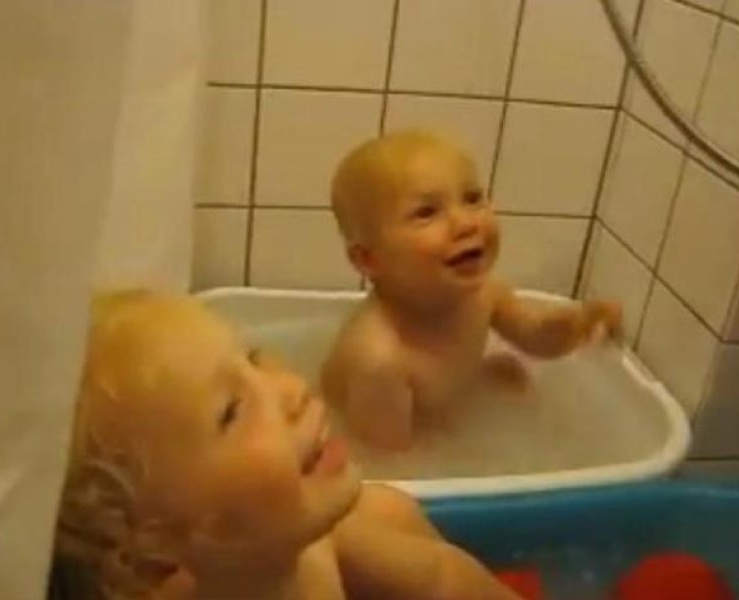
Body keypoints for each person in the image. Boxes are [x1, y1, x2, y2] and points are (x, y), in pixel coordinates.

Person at [54, 290, 519, 599]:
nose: (292, 388)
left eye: (255, 360)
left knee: (390, 510)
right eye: (232, 411)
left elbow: (444, 580)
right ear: (152, 550)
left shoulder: (304, 548)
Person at [323, 129, 621, 450]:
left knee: (510, 373)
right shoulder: (379, 360)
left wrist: (577, 323)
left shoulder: (483, 294)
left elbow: (534, 337)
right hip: (392, 433)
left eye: (472, 198)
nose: (466, 223)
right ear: (369, 259)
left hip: (444, 408)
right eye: (426, 213)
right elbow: (389, 463)